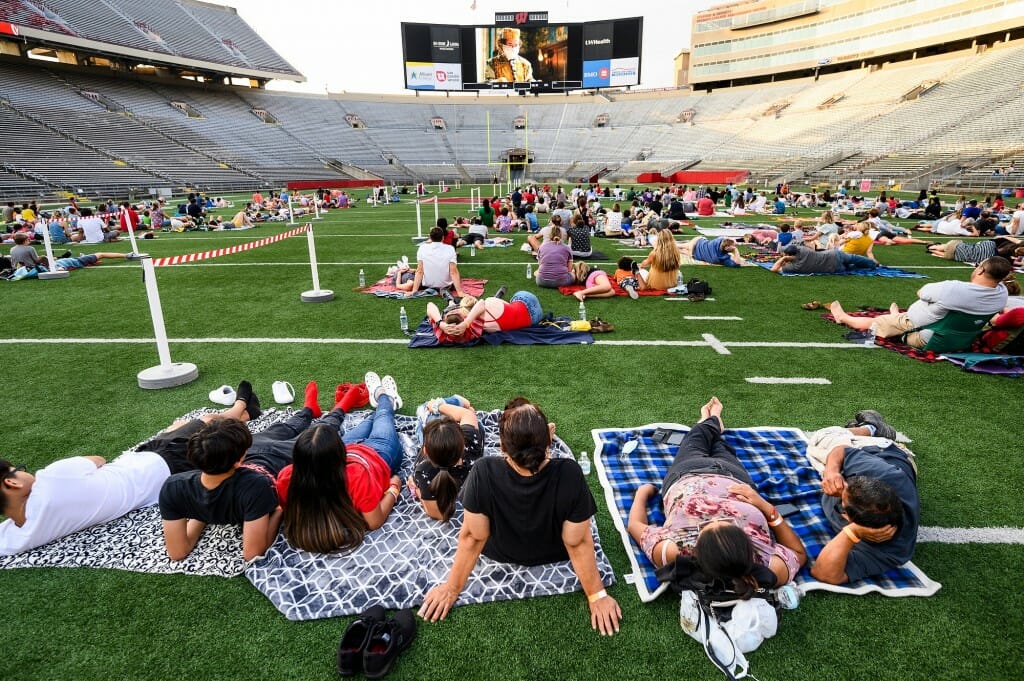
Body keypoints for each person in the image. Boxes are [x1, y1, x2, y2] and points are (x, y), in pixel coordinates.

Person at [419, 397, 622, 636]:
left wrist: (452, 588)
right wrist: (596, 595)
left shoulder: (483, 471)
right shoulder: (570, 473)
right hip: (554, 552)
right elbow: (576, 541)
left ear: (503, 448)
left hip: (499, 551)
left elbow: (473, 537)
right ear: (550, 437)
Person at [0, 382, 263, 556]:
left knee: (180, 427)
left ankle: (245, 414)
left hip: (153, 477)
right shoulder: (52, 478)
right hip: (157, 460)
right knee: (205, 422)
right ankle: (240, 407)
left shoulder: (19, 537)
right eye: (18, 469)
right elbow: (98, 460)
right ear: (11, 483)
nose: (26, 472)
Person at [158, 379, 371, 562]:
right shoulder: (252, 487)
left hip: (257, 450)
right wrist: (278, 512)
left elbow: (178, 551)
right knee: (317, 434)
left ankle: (308, 410)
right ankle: (340, 407)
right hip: (277, 459)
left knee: (283, 427)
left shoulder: (173, 487)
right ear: (238, 460)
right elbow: (253, 553)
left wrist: (201, 514)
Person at [627, 398, 807, 593]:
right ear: (747, 546)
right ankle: (712, 423)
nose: (716, 518)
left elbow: (635, 526)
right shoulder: (767, 563)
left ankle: (709, 421)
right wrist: (767, 509)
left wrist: (642, 494)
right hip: (735, 477)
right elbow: (798, 553)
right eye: (729, 522)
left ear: (696, 550)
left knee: (694, 440)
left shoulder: (675, 551)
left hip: (688, 473)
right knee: (721, 446)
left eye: (707, 525)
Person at [274, 375, 404, 553]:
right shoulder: (356, 475)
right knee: (382, 415)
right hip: (379, 454)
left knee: (370, 420)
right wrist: (394, 488)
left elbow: (286, 508)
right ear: (339, 455)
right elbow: (375, 521)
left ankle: (378, 399)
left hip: (353, 448)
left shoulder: (286, 476)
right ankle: (383, 395)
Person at [804, 412, 919, 584]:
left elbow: (824, 573)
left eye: (844, 494)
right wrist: (832, 472)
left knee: (819, 440)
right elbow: (842, 451)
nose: (843, 486)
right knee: (823, 439)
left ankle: (867, 428)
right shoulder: (881, 474)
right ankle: (872, 428)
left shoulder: (892, 550)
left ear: (848, 517)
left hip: (892, 459)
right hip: (880, 450)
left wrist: (852, 532)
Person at [829, 256, 1012, 348]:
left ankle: (844, 318)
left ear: (980, 270)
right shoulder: (1002, 294)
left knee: (877, 322)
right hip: (961, 339)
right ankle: (896, 317)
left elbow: (921, 292)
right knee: (902, 316)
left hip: (926, 334)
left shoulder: (954, 288)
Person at [408, 396, 483, 522]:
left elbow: (439, 514)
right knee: (436, 413)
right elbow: (467, 414)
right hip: (472, 428)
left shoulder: (423, 470)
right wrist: (438, 406)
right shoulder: (472, 442)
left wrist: (416, 489)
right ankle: (454, 402)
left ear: (425, 450)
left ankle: (449, 402)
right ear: (463, 444)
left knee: (423, 411)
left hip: (439, 442)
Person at [426, 291, 544, 344]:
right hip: (526, 300)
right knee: (492, 301)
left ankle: (450, 300)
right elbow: (481, 304)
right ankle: (499, 297)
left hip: (533, 317)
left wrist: (441, 324)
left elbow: (430, 306)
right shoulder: (474, 329)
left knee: (494, 304)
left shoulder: (444, 336)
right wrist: (466, 323)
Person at [401, 221, 466, 298]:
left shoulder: (422, 248)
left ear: (430, 237)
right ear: (442, 238)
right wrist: (459, 292)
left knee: (408, 275)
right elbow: (453, 272)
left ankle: (399, 273)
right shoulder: (450, 249)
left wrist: (414, 291)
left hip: (428, 285)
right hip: (446, 285)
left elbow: (419, 271)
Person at [770, 244, 877, 274]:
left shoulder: (795, 267)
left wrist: (784, 258)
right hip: (833, 255)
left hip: (834, 268)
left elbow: (774, 269)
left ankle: (868, 266)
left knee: (852, 267)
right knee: (854, 258)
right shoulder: (802, 250)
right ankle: (872, 263)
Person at [678, 236, 745, 267]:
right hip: (696, 253)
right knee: (684, 250)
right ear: (727, 248)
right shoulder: (722, 257)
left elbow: (725, 238)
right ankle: (676, 248)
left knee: (685, 247)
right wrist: (735, 250)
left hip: (699, 242)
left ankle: (674, 246)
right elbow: (736, 264)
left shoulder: (719, 240)